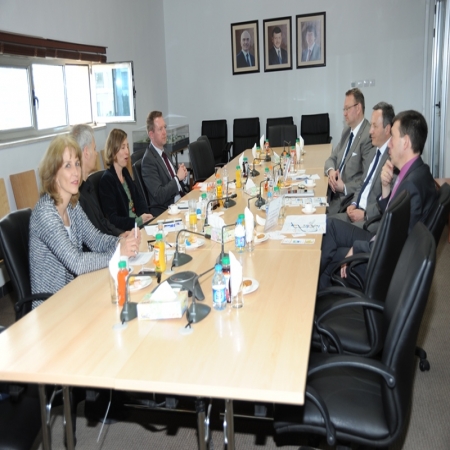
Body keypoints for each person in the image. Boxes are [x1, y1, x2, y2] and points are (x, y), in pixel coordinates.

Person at [319, 110, 437, 289]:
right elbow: (395, 220)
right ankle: (320, 292)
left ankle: (315, 294)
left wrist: (358, 248)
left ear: (405, 142)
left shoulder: (411, 187)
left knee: (333, 254)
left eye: (393, 137)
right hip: (381, 242)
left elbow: (394, 242)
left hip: (383, 266)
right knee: (331, 229)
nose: (389, 143)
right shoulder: (420, 173)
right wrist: (386, 188)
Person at [29, 135, 140, 299]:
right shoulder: (45, 213)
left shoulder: (72, 206)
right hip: (51, 303)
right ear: (54, 173)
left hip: (73, 293)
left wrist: (120, 242)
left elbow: (96, 239)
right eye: (68, 166)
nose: (76, 172)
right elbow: (77, 262)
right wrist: (118, 253)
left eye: (77, 164)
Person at [331, 102, 395, 231]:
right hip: (355, 211)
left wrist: (365, 214)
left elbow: (390, 200)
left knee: (330, 230)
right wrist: (354, 203)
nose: (370, 131)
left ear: (387, 129)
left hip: (369, 222)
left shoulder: (392, 159)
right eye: (371, 125)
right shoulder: (373, 152)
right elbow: (362, 184)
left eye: (375, 126)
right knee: (325, 222)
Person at [324, 88, 375, 214]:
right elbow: (332, 158)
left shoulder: (368, 136)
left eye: (347, 109)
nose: (344, 113)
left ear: (358, 108)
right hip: (331, 192)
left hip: (346, 200)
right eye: (344, 109)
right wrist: (331, 171)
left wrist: (344, 187)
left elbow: (368, 178)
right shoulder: (347, 131)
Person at [70, 124, 126, 237]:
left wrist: (121, 234)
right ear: (86, 152)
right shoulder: (77, 196)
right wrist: (118, 240)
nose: (96, 153)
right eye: (94, 148)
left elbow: (102, 222)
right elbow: (93, 238)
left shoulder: (88, 185)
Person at [99, 129, 153, 230]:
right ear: (113, 151)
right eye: (123, 147)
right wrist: (138, 221)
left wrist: (146, 215)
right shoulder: (107, 180)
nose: (127, 152)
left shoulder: (125, 172)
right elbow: (113, 219)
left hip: (138, 226)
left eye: (127, 147)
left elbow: (139, 199)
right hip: (127, 231)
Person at [141, 111, 189, 217]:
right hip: (166, 211)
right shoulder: (148, 161)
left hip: (180, 202)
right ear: (151, 134)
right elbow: (160, 195)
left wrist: (183, 176)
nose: (164, 132)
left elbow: (174, 181)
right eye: (160, 129)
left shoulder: (165, 151)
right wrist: (178, 178)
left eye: (165, 127)